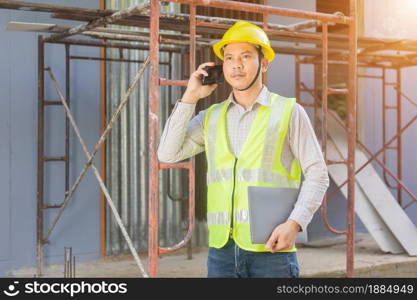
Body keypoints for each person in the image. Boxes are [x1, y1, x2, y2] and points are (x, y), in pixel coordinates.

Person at [157, 20, 329, 278]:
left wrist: (295, 223)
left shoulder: (289, 112)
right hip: (222, 252)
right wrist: (190, 96)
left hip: (271, 250)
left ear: (264, 63)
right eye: (229, 58)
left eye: (246, 56)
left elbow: (318, 174)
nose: (236, 65)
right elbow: (167, 154)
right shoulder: (210, 117)